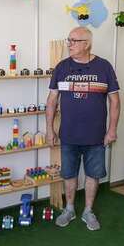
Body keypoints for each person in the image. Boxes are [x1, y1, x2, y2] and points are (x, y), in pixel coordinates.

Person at [46, 26, 120, 231]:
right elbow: (51, 100)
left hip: (96, 136)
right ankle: (69, 209)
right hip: (68, 135)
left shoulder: (104, 67)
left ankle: (88, 211)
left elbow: (115, 101)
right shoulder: (61, 67)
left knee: (93, 174)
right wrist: (49, 129)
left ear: (87, 44)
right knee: (69, 174)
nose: (69, 44)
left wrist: (112, 129)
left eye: (74, 40)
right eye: (68, 40)